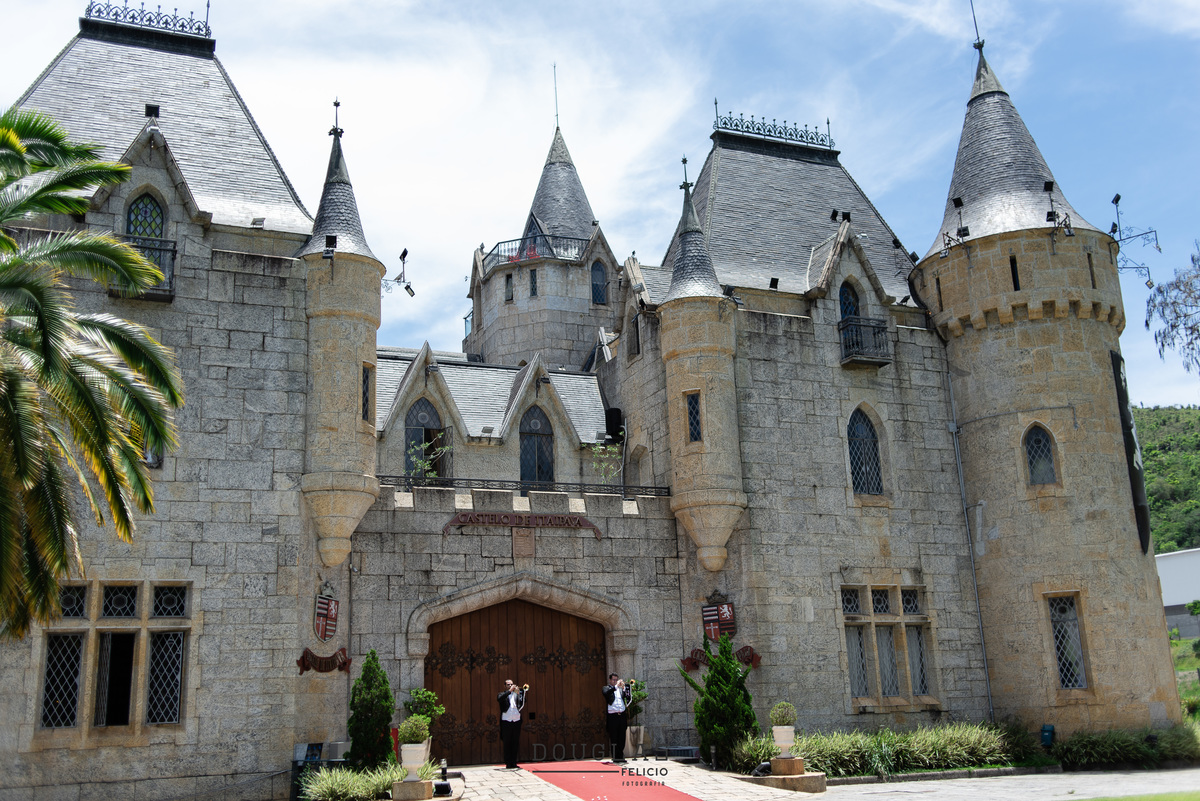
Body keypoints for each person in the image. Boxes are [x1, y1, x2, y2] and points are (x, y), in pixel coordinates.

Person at [602, 673, 632, 763]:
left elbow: (627, 697)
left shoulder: (620, 689)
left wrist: (624, 688)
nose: (615, 681)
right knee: (614, 737)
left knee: (622, 737)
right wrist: (615, 687)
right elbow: (606, 693)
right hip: (613, 716)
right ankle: (615, 757)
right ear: (610, 680)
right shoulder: (606, 688)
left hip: (621, 715)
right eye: (613, 680)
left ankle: (621, 756)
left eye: (616, 680)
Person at [497, 679, 526, 770]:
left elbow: (523, 702)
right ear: (505, 686)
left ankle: (514, 762)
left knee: (515, 742)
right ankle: (508, 763)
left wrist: (519, 693)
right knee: (507, 743)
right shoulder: (502, 694)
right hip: (506, 721)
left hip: (516, 720)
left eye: (511, 684)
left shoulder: (517, 694)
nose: (510, 686)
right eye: (508, 684)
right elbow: (499, 699)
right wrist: (509, 691)